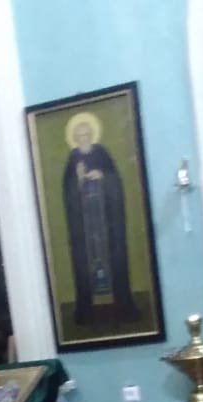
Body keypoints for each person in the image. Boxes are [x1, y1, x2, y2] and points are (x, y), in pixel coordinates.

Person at [61, 115, 137, 328]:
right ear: (74, 138)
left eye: (86, 134)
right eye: (79, 136)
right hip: (84, 225)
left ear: (92, 135)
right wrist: (77, 179)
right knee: (84, 262)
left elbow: (115, 180)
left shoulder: (102, 153)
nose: (83, 139)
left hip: (107, 222)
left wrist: (102, 176)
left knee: (114, 257)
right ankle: (86, 311)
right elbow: (67, 191)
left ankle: (122, 306)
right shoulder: (73, 159)